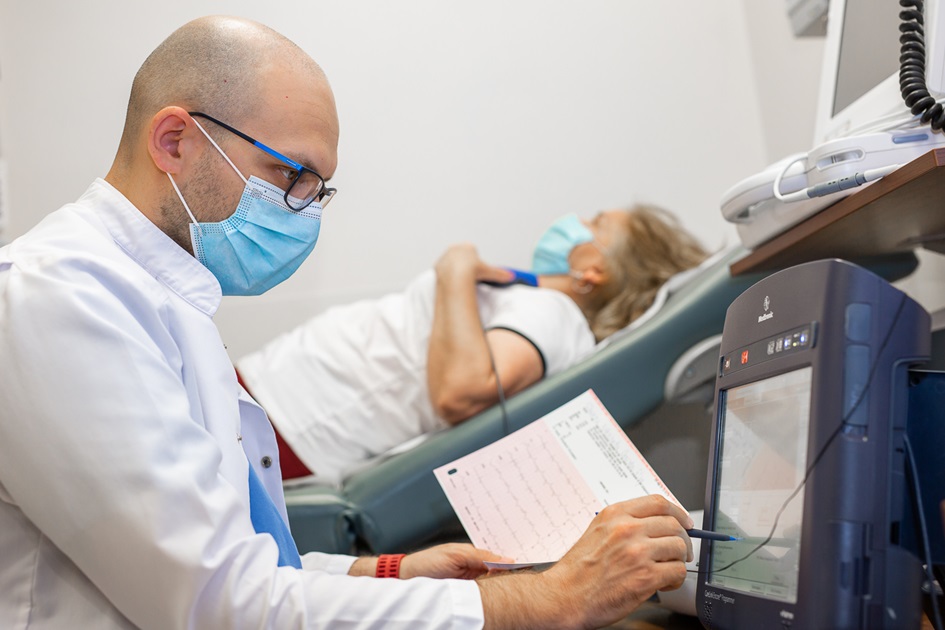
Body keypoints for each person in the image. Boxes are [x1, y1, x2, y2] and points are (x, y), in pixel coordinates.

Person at [0, 15, 694, 629]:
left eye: (318, 189)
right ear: (175, 140)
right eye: (292, 176)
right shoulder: (59, 298)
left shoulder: (163, 299)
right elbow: (223, 603)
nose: (305, 211)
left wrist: (387, 573)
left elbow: (239, 565)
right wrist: (544, 600)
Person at [236, 206, 708, 485]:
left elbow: (461, 391)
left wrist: (456, 269)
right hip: (278, 404)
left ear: (595, 272)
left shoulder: (554, 314)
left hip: (289, 422)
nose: (578, 222)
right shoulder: (538, 303)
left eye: (595, 224)